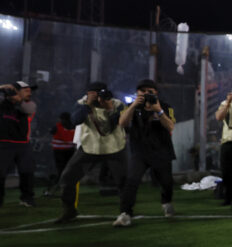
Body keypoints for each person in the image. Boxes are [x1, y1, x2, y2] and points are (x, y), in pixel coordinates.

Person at [56, 82, 127, 223]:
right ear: (88, 94)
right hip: (90, 147)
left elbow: (110, 127)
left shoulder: (117, 104)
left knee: (123, 182)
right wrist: (87, 105)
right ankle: (69, 211)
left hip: (113, 147)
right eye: (93, 93)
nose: (97, 96)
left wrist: (108, 108)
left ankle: (126, 212)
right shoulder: (81, 103)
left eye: (100, 93)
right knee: (67, 178)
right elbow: (75, 120)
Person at [113, 79, 177, 227]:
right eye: (142, 91)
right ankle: (125, 213)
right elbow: (122, 123)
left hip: (161, 151)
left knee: (167, 183)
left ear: (156, 93)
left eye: (150, 91)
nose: (146, 94)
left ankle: (166, 201)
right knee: (132, 181)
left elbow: (170, 126)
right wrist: (134, 105)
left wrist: (158, 110)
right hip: (140, 152)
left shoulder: (165, 107)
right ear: (137, 93)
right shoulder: (131, 107)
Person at [0, 81, 37, 207]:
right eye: (25, 90)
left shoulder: (29, 104)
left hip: (22, 144)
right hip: (3, 143)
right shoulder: (3, 103)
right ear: (17, 91)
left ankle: (27, 198)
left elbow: (28, 109)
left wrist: (18, 99)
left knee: (27, 172)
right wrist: (3, 88)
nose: (29, 92)